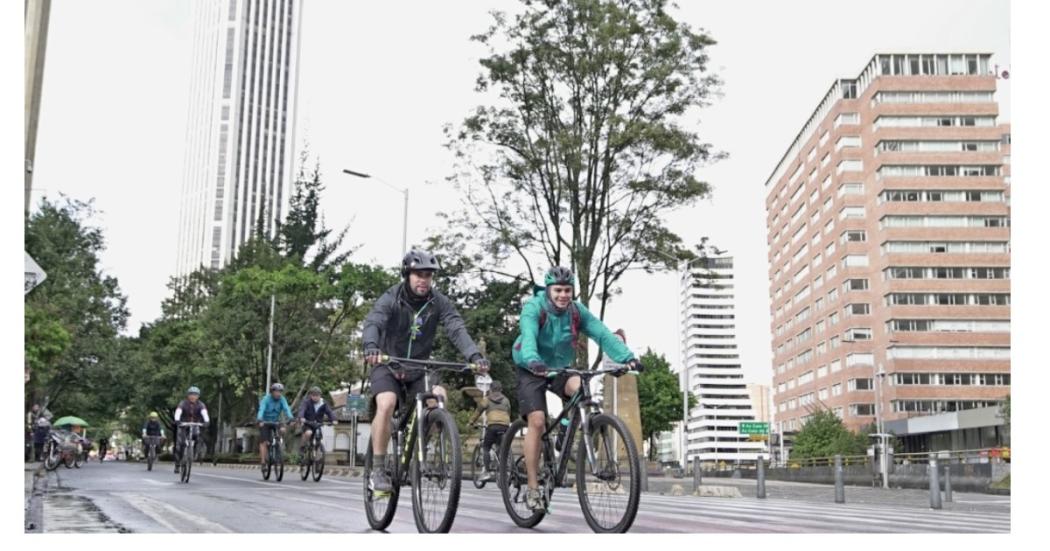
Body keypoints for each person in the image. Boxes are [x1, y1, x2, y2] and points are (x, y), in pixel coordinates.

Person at [512, 266, 642, 511]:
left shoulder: (576, 311)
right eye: (558, 290)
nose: (563, 295)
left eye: (567, 290)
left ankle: (563, 432)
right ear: (549, 290)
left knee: (581, 388)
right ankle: (532, 488)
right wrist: (532, 359)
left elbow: (602, 333)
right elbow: (528, 335)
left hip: (559, 367)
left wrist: (627, 358)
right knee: (537, 422)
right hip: (531, 366)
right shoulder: (534, 307)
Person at [362, 249, 490, 492]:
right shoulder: (391, 298)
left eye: (428, 275)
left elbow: (456, 327)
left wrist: (474, 355)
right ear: (407, 275)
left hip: (419, 367)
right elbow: (374, 322)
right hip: (387, 362)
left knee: (438, 398)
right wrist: (370, 346)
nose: (424, 280)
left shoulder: (438, 302)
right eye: (418, 274)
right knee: (387, 403)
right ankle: (378, 470)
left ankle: (417, 451)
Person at [468, 379, 511, 482]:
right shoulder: (506, 400)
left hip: (492, 426)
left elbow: (478, 411)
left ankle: (487, 472)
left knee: (486, 447)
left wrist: (471, 422)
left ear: (490, 389)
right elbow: (508, 412)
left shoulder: (487, 399)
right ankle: (504, 469)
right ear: (501, 389)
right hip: (505, 426)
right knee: (502, 447)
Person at [256, 382, 294, 468]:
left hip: (276, 421)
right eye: (276, 391)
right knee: (264, 442)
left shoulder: (282, 399)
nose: (278, 393)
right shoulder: (266, 399)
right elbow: (261, 409)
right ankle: (263, 462)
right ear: (272, 392)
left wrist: (291, 418)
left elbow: (286, 409)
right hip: (265, 422)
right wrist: (260, 419)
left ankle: (278, 446)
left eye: (280, 392)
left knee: (283, 430)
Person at [173, 386, 210, 472]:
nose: (193, 396)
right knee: (180, 444)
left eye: (195, 395)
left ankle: (196, 453)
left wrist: (206, 421)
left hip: (195, 425)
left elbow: (204, 413)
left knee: (198, 438)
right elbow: (178, 411)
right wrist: (177, 420)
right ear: (188, 395)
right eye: (191, 394)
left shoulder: (201, 405)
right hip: (183, 425)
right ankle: (177, 464)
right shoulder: (183, 403)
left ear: (198, 396)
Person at [297, 386, 336, 456]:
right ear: (310, 396)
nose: (315, 397)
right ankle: (302, 447)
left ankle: (317, 454)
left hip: (318, 424)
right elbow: (302, 410)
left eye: (317, 395)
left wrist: (334, 420)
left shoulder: (323, 403)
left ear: (320, 395)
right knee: (308, 433)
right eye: (313, 395)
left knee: (318, 437)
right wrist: (301, 417)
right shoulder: (306, 402)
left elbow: (329, 412)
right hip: (308, 423)